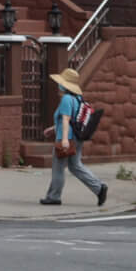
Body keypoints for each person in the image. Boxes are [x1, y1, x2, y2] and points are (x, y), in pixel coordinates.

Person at [41, 67, 108, 207]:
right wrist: (53, 129)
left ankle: (54, 196)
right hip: (77, 138)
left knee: (58, 168)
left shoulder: (66, 99)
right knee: (75, 165)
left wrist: (64, 140)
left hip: (66, 138)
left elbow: (66, 120)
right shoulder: (78, 98)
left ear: (65, 85)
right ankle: (99, 188)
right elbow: (73, 120)